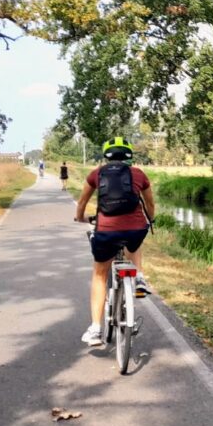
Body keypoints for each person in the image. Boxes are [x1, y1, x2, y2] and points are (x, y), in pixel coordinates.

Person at [74, 137, 155, 346]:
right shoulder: (139, 174)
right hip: (135, 229)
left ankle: (95, 329)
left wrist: (80, 217)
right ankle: (138, 278)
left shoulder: (96, 174)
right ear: (129, 155)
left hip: (107, 230)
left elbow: (82, 201)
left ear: (106, 155)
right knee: (134, 242)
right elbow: (150, 203)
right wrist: (151, 219)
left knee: (100, 274)